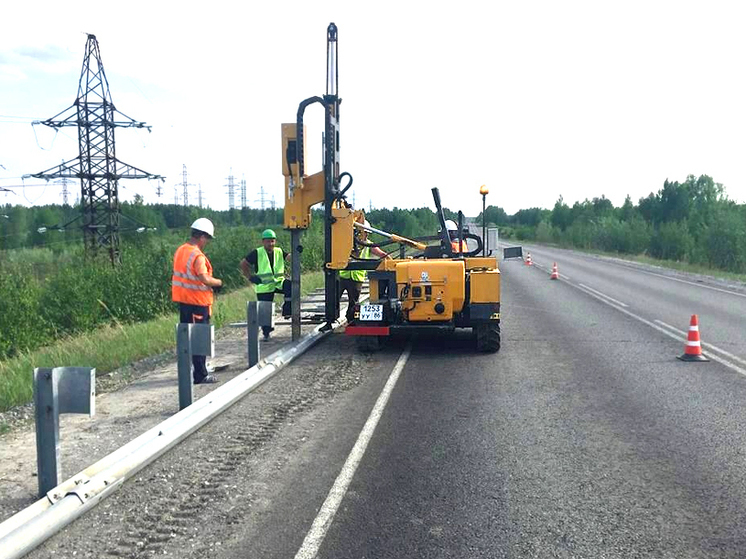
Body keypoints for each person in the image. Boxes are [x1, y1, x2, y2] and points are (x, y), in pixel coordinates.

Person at [172, 218, 222, 385]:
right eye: (207, 239)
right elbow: (203, 278)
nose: (206, 242)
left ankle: (190, 371)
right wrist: (218, 283)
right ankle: (200, 375)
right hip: (197, 304)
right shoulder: (197, 255)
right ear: (202, 236)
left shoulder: (181, 250)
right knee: (199, 340)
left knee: (188, 339)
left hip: (184, 302)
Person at [240, 229, 291, 340]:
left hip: (278, 282)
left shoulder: (279, 251)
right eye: (268, 241)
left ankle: (287, 310)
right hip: (264, 285)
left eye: (272, 241)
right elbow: (243, 263)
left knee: (290, 285)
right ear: (263, 242)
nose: (270, 244)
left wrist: (297, 252)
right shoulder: (257, 253)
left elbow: (289, 257)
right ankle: (266, 333)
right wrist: (250, 277)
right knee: (265, 310)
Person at [339, 220, 389, 323]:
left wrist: (391, 261)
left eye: (366, 233)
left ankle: (351, 320)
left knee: (353, 302)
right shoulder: (346, 242)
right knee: (334, 299)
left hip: (357, 278)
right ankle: (332, 319)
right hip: (343, 275)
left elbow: (381, 254)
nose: (365, 235)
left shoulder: (368, 244)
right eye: (364, 233)